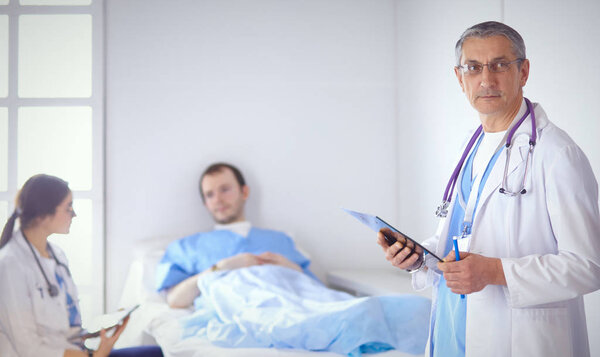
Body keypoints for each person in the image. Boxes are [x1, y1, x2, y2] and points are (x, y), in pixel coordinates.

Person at [376, 21, 600, 357]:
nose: (486, 79)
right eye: (474, 67)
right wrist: (419, 257)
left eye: (499, 65)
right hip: (453, 330)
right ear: (459, 77)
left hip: (518, 339)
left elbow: (588, 265)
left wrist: (495, 271)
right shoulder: (471, 145)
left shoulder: (557, 154)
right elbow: (461, 238)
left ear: (523, 71)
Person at [0, 174, 163, 357]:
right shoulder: (10, 265)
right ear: (43, 214)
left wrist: (102, 334)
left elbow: (65, 327)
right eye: (68, 207)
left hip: (76, 351)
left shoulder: (57, 255)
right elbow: (28, 348)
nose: (74, 214)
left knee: (158, 353)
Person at [156, 162, 318, 308]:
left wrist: (291, 268)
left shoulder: (281, 241)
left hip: (290, 308)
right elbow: (175, 300)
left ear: (244, 192)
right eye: (210, 195)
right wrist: (220, 268)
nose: (218, 200)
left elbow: (317, 293)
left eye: (225, 190)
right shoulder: (189, 247)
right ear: (205, 203)